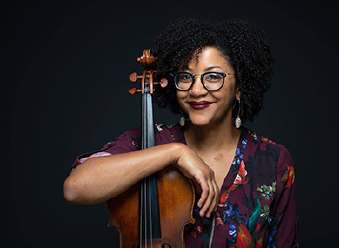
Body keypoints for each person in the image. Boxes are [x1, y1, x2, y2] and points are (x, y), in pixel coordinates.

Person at [63, 17, 298, 248]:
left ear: (239, 87)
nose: (196, 90)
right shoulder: (149, 142)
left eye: (213, 77)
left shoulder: (273, 161)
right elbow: (75, 189)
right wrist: (176, 153)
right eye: (185, 77)